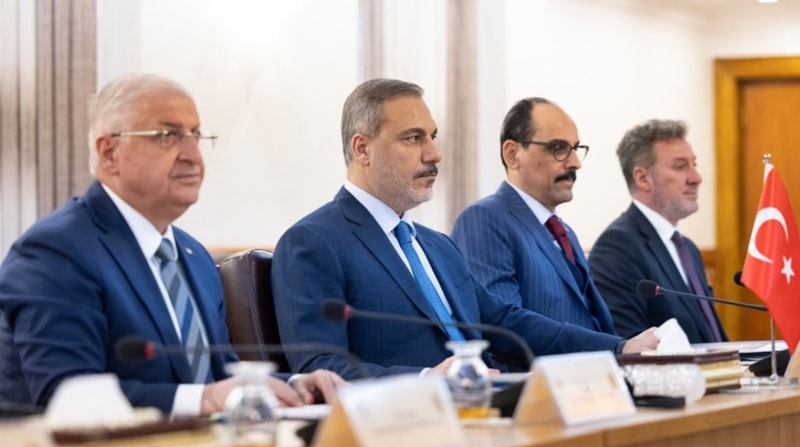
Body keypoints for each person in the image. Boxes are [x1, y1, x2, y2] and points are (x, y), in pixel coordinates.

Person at [0, 73, 344, 417]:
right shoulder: (56, 251)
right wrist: (205, 400)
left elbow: (219, 378)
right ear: (109, 153)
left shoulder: (194, 257)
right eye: (167, 136)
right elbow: (65, 395)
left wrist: (296, 385)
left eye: (196, 135)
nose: (193, 155)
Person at [271, 78, 658, 380]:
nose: (434, 154)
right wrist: (427, 380)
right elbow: (320, 368)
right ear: (362, 149)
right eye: (413, 138)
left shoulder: (438, 247)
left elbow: (507, 322)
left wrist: (619, 348)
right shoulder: (314, 242)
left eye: (432, 137)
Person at [451, 97, 618, 339]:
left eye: (576, 149)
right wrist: (614, 346)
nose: (575, 163)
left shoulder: (564, 232)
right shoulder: (484, 219)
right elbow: (504, 328)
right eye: (558, 149)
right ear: (512, 154)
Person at [588, 119, 727, 343]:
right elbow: (630, 345)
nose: (696, 178)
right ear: (643, 179)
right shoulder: (616, 248)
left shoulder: (688, 248)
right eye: (680, 166)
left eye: (694, 164)